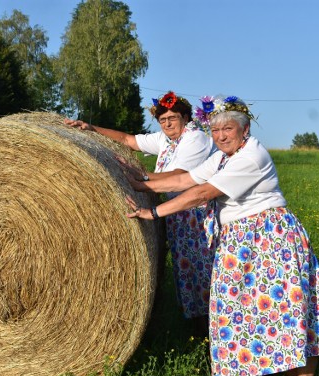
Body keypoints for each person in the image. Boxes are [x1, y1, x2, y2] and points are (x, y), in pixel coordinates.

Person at [123, 95, 319, 376]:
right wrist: (138, 183)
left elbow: (202, 193)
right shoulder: (223, 156)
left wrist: (153, 212)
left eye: (228, 129)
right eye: (216, 130)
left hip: (270, 237)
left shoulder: (251, 156)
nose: (221, 135)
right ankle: (259, 366)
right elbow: (187, 179)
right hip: (239, 237)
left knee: (285, 306)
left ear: (245, 129)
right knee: (237, 303)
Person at [64, 91, 215, 332]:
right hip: (176, 214)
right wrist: (91, 128)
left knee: (205, 272)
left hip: (197, 216)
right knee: (189, 275)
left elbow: (180, 176)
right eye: (162, 120)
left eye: (172, 118)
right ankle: (200, 333)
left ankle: (212, 331)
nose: (167, 124)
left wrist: (141, 179)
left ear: (185, 118)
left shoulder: (194, 139)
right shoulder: (166, 139)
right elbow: (127, 140)